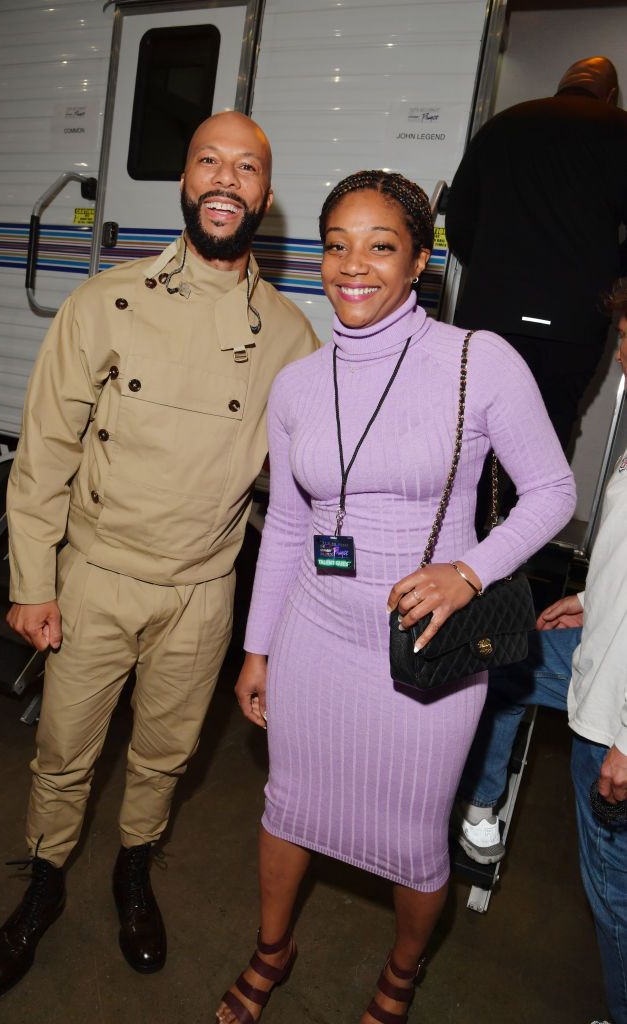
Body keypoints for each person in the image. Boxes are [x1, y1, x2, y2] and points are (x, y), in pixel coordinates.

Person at [0, 111, 319, 1000]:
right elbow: (45, 451)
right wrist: (32, 582)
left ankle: (133, 871)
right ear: (185, 180)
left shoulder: (291, 338)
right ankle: (44, 885)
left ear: (265, 197)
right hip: (96, 576)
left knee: (166, 754)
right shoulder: (103, 303)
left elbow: (314, 487)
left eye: (246, 168)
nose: (226, 179)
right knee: (63, 751)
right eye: (209, 161)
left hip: (203, 592)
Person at [214, 170, 576, 1024]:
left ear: (419, 261)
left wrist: (469, 571)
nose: (353, 265)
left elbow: (553, 492)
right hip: (313, 636)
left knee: (414, 840)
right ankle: (271, 951)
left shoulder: (476, 360)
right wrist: (256, 649)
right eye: (336, 245)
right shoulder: (298, 384)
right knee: (286, 808)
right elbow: (288, 529)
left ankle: (400, 976)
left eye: (380, 246)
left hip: (428, 649)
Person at [455, 281, 627, 1024]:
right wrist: (592, 599)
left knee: (613, 896)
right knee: (499, 657)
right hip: (600, 649)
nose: (619, 355)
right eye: (622, 336)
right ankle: (482, 806)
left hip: (616, 711)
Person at [446, 56, 627, 452]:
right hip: (572, 322)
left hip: (491, 313)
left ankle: (476, 497)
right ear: (610, 94)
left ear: (562, 85)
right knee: (550, 427)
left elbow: (458, 221)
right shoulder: (621, 130)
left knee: (474, 430)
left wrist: (490, 271)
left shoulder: (502, 126)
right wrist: (612, 275)